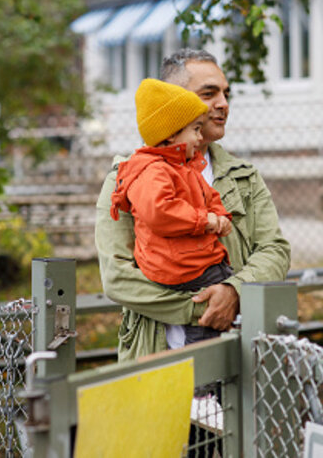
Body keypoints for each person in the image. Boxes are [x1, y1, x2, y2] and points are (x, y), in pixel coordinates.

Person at [96, 48, 291, 362]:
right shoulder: (129, 177)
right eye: (209, 93)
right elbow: (118, 278)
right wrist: (203, 308)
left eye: (226, 94)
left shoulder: (244, 176)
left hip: (242, 353)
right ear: (174, 102)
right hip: (155, 354)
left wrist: (233, 291)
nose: (223, 104)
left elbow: (275, 250)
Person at [108, 78, 235, 345]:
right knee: (208, 323)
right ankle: (205, 383)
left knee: (231, 289)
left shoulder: (184, 166)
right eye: (196, 129)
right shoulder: (152, 170)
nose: (200, 137)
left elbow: (208, 196)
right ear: (172, 133)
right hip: (177, 265)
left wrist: (220, 215)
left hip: (193, 260)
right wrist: (205, 221)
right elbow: (160, 211)